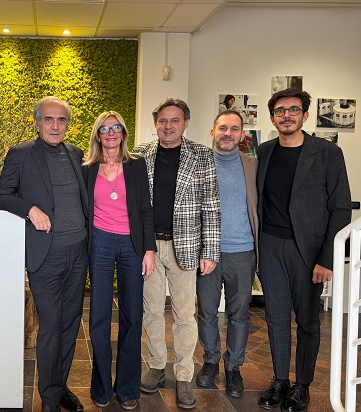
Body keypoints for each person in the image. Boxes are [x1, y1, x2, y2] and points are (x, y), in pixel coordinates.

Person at [257, 89, 351, 412]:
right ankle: (280, 380)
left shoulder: (327, 153)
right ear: (273, 118)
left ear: (305, 115)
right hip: (270, 245)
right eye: (280, 111)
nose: (287, 115)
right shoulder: (265, 151)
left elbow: (340, 208)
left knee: (308, 320)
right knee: (276, 318)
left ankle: (303, 385)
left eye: (293, 109)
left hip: (308, 252)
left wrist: (327, 259)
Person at [0, 96, 88, 412]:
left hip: (78, 253)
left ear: (67, 124)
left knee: (70, 324)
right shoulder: (21, 154)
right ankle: (48, 399)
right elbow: (1, 196)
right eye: (49, 119)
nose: (55, 125)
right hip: (45, 256)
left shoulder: (76, 154)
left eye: (61, 120)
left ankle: (60, 388)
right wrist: (29, 209)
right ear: (37, 123)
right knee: (50, 326)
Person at [134, 97, 220, 409]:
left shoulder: (202, 155)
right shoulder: (140, 153)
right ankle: (157, 366)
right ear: (155, 123)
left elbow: (211, 205)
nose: (168, 126)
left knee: (184, 314)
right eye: (162, 121)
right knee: (152, 311)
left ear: (185, 123)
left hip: (185, 246)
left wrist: (210, 251)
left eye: (174, 120)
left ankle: (183, 375)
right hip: (148, 247)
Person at [82, 111, 155, 410]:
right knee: (98, 317)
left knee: (132, 316)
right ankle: (101, 388)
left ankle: (127, 388)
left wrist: (149, 249)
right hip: (99, 242)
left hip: (131, 245)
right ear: (98, 135)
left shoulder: (136, 165)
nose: (111, 132)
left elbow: (146, 209)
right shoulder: (86, 167)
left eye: (116, 127)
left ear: (123, 133)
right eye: (105, 128)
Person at [195, 109, 258, 398]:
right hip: (207, 253)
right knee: (207, 312)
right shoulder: (199, 164)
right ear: (213, 132)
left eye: (234, 129)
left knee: (239, 314)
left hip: (243, 252)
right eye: (222, 128)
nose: (228, 133)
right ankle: (210, 362)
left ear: (242, 135)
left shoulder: (253, 165)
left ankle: (234, 367)